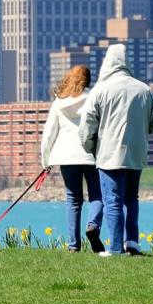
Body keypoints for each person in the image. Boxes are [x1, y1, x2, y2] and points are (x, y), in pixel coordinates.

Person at [79, 43, 153, 256]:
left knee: (112, 200)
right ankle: (132, 242)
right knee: (131, 198)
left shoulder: (100, 90)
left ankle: (115, 248)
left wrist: (90, 146)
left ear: (107, 63)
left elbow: (87, 125)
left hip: (109, 154)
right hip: (136, 152)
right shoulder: (145, 90)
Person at [39, 65, 105, 253]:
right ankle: (93, 225)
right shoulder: (95, 98)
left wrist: (46, 162)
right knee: (97, 195)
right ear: (88, 80)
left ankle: (73, 245)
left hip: (66, 157)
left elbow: (49, 134)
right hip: (91, 155)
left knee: (73, 200)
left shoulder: (59, 103)